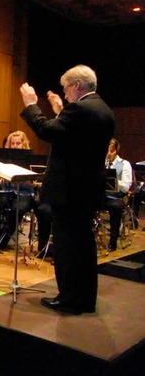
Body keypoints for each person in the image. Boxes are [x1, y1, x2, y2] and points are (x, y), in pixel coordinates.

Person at [20, 64, 115, 315]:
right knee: (83, 246)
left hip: (70, 191)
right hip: (86, 190)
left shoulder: (82, 109)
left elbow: (46, 131)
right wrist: (61, 111)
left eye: (65, 89)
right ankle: (83, 298)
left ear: (75, 86)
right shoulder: (101, 108)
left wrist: (31, 104)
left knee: (67, 247)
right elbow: (73, 138)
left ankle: (69, 298)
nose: (64, 93)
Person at [0, 131, 35, 249]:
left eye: (18, 143)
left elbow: (34, 184)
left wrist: (26, 178)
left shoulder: (31, 159)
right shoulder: (5, 158)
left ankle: (3, 240)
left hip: (24, 192)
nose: (15, 146)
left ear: (23, 144)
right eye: (13, 143)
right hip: (6, 191)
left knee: (16, 209)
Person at [104, 138, 133, 251]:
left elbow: (126, 187)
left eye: (111, 151)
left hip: (117, 197)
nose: (109, 154)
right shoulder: (103, 163)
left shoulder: (125, 164)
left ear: (116, 151)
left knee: (115, 207)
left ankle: (113, 241)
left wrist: (114, 181)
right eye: (107, 151)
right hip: (102, 196)